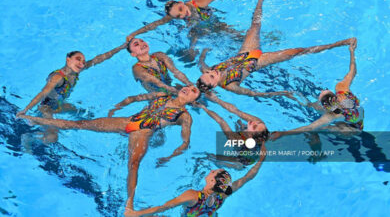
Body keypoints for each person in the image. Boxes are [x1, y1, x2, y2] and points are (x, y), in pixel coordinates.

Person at [19, 86, 200, 211]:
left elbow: (185, 142)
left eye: (193, 91)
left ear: (193, 101)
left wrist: (169, 158)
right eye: (189, 86)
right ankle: (33, 119)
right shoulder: (162, 95)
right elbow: (134, 98)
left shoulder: (184, 116)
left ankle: (129, 205)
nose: (188, 88)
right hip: (126, 122)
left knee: (134, 164)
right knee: (81, 123)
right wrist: (117, 108)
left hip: (143, 133)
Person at [196, 0, 355, 99]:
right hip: (259, 60)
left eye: (208, 73)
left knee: (255, 24)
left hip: (245, 51)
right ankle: (340, 43)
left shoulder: (208, 70)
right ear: (215, 85)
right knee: (297, 51)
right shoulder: (231, 86)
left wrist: (203, 53)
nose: (211, 72)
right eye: (211, 77)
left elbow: (201, 64)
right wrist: (279, 93)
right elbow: (252, 93)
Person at [16, 43, 127, 143]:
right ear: (68, 60)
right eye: (78, 59)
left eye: (83, 61)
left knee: (87, 115)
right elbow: (43, 93)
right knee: (52, 138)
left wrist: (121, 47)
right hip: (47, 108)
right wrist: (25, 110)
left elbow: (99, 59)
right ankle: (30, 137)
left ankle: (37, 123)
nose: (81, 63)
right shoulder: (58, 77)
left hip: (60, 105)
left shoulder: (76, 71)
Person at [124, 142, 266, 216]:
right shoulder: (222, 196)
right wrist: (261, 160)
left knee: (147, 214)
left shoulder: (193, 195)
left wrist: (136, 214)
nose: (211, 170)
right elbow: (248, 177)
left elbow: (164, 207)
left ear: (212, 181)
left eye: (214, 172)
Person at [270, 38, 362, 141]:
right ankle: (306, 103)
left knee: (323, 128)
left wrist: (283, 133)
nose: (322, 90)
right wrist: (352, 51)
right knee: (314, 108)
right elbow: (352, 72)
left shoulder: (331, 116)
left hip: (354, 127)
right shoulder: (342, 89)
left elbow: (309, 127)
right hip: (349, 112)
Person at [126, 0, 241, 62]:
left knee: (240, 39)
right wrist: (135, 33)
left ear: (181, 3)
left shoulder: (198, 2)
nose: (183, 14)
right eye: (178, 16)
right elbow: (155, 24)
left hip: (216, 25)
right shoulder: (175, 14)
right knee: (191, 50)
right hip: (197, 30)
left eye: (181, 9)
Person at [198, 93, 269, 168]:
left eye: (254, 126)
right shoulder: (258, 123)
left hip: (245, 159)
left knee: (217, 159)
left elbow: (221, 121)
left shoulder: (235, 139)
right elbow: (237, 111)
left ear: (250, 135)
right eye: (258, 123)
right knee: (238, 121)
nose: (254, 122)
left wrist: (204, 108)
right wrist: (217, 99)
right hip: (254, 143)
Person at [126, 38, 192, 93]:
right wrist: (176, 92)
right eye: (136, 44)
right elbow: (158, 83)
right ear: (133, 54)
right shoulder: (137, 69)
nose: (142, 43)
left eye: (142, 41)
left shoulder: (160, 56)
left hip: (170, 87)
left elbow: (176, 71)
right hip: (158, 95)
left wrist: (188, 83)